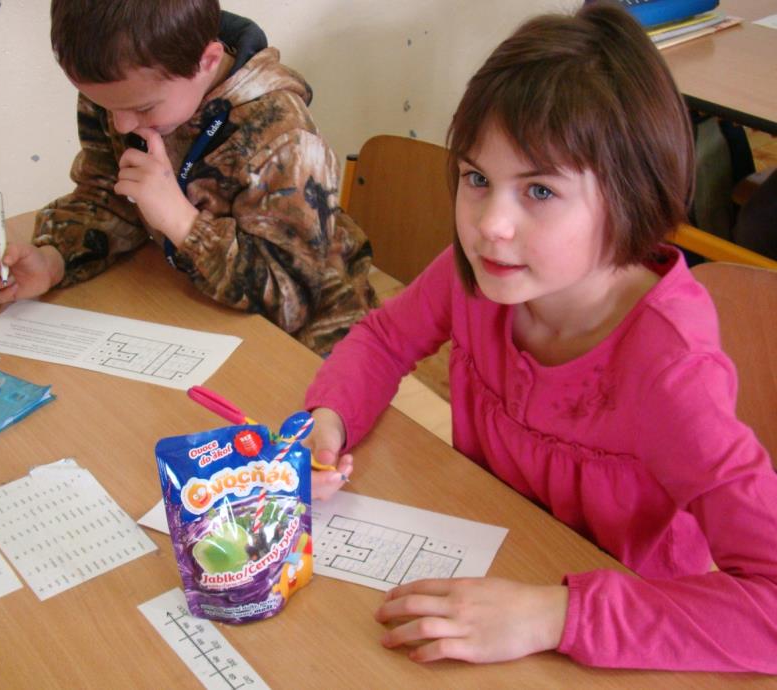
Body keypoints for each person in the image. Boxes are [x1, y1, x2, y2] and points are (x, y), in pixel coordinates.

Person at [304, 3, 777, 674]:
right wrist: (329, 420)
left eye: (541, 192)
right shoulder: (481, 277)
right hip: (489, 562)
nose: (490, 225)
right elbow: (383, 340)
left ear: (631, 196)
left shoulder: (671, 369)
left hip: (622, 632)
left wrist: (555, 614)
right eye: (477, 179)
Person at [0, 0, 375, 356]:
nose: (121, 122)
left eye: (142, 108)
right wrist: (54, 259)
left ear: (208, 61)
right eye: (103, 105)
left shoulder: (284, 134)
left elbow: (291, 299)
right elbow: (107, 197)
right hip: (201, 307)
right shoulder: (123, 89)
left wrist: (182, 223)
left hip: (312, 340)